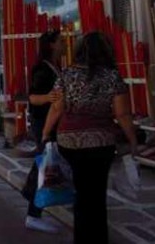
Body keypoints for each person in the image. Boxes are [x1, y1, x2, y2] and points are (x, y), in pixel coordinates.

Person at [42, 32, 138, 244]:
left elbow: (57, 108)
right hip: (100, 142)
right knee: (96, 194)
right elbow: (122, 114)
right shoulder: (112, 76)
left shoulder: (66, 75)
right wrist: (132, 140)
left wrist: (45, 133)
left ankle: (82, 238)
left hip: (69, 141)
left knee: (81, 192)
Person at [23, 31, 64, 234]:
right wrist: (50, 97)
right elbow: (32, 98)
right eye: (60, 41)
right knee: (44, 167)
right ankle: (33, 213)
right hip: (44, 123)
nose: (63, 44)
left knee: (49, 165)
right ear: (51, 45)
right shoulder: (43, 69)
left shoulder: (56, 67)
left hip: (55, 123)